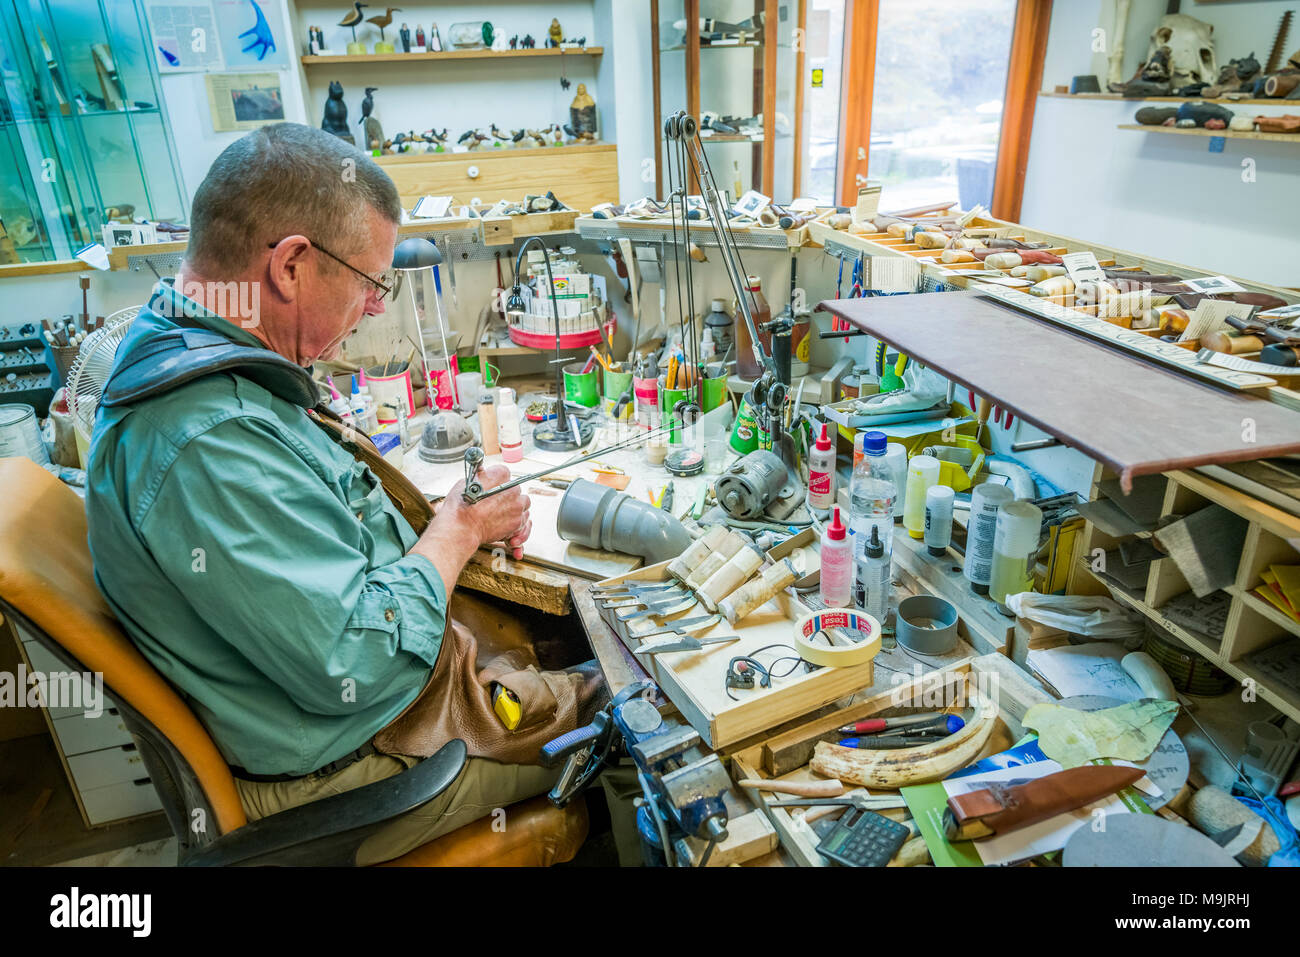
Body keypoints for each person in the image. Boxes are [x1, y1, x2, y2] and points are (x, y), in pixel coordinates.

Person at [85, 123, 598, 864]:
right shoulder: (203, 439)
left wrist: (453, 523)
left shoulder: (202, 353)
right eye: (370, 282)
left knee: (563, 645)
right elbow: (360, 664)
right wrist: (451, 537)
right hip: (349, 765)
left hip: (347, 707)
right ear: (292, 264)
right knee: (625, 705)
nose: (374, 308)